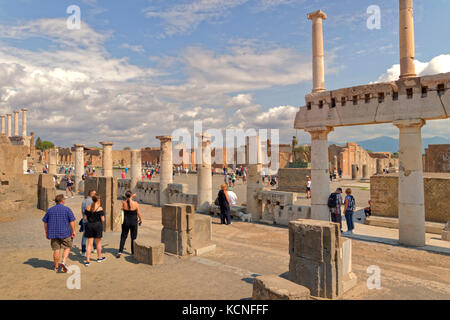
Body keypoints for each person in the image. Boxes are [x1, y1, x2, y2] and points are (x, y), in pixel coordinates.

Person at [42, 194, 76, 272]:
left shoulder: (50, 210)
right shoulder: (67, 209)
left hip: (53, 233)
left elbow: (45, 222)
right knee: (67, 247)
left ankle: (56, 267)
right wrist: (73, 231)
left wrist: (46, 232)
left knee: (56, 249)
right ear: (62, 200)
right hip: (65, 232)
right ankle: (63, 262)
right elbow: (72, 221)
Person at [117, 191, 143, 258]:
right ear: (131, 196)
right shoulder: (136, 203)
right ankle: (133, 252)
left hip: (125, 222)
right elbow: (138, 213)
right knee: (133, 237)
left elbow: (124, 206)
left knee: (123, 236)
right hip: (133, 222)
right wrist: (140, 220)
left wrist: (131, 196)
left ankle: (120, 251)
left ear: (126, 196)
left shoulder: (123, 203)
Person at [84, 195, 106, 266]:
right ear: (98, 199)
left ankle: (87, 260)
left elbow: (85, 218)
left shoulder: (88, 207)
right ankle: (99, 257)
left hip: (89, 225)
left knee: (89, 244)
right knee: (98, 243)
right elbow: (103, 220)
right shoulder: (100, 208)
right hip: (97, 226)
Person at [80, 190, 97, 256]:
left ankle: (83, 251)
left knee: (84, 236)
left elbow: (82, 211)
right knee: (93, 235)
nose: (95, 195)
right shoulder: (92, 201)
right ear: (91, 194)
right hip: (91, 221)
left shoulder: (84, 201)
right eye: (94, 194)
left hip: (85, 220)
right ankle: (95, 248)